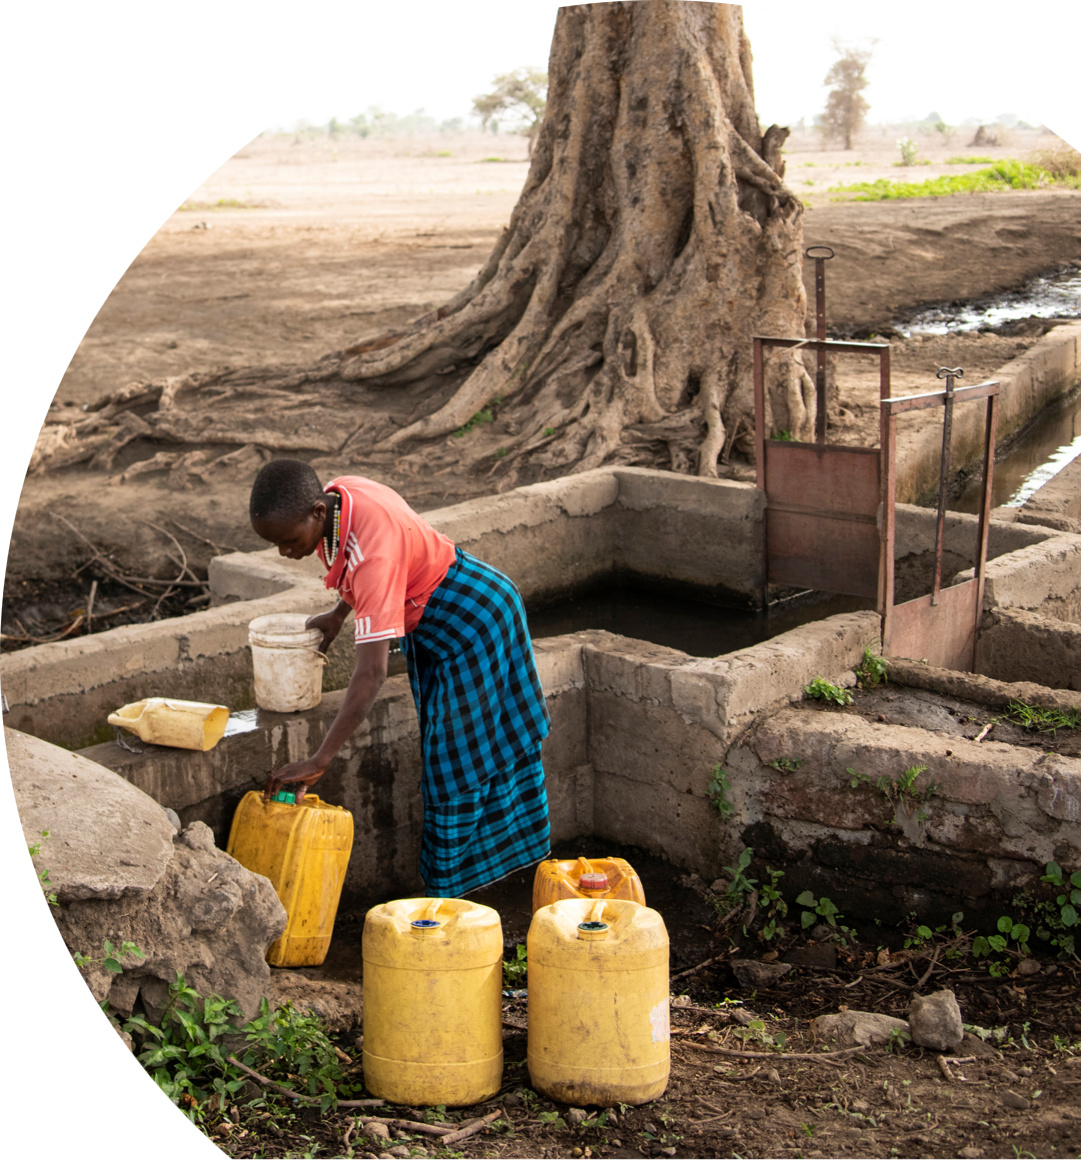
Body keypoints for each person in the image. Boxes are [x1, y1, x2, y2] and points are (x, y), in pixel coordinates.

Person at [248, 459, 551, 897]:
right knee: (459, 751)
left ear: (316, 511)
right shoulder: (339, 496)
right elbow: (365, 569)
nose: (285, 552)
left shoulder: (374, 550)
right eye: (275, 545)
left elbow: (371, 673)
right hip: (442, 622)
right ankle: (473, 875)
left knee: (460, 760)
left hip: (474, 624)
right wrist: (338, 614)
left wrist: (320, 759)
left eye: (289, 541)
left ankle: (454, 889)